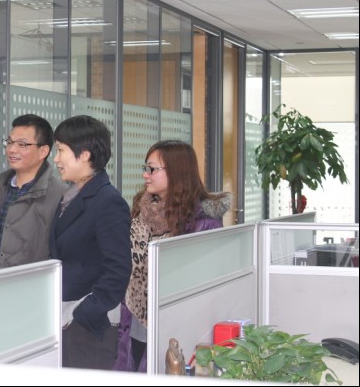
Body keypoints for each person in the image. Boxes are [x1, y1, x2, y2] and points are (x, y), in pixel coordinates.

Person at [114, 139, 232, 372]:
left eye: (152, 169)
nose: (145, 175)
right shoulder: (141, 210)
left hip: (176, 327)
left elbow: (205, 288)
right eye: (145, 168)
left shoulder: (204, 223)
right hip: (135, 323)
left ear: (177, 172)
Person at [49, 115, 131, 370]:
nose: (56, 159)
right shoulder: (72, 196)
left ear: (84, 154)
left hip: (87, 326)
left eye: (61, 150)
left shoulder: (107, 201)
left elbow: (118, 268)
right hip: (67, 319)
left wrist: (85, 312)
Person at [0, 114, 67, 269]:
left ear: (43, 151)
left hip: (31, 282)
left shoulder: (61, 195)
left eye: (22, 144)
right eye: (10, 142)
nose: (12, 149)